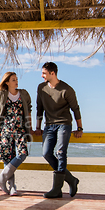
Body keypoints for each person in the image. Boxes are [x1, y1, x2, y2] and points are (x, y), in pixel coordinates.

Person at [34, 62, 83, 198]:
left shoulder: (67, 90)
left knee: (60, 152)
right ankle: (71, 179)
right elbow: (39, 108)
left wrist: (80, 128)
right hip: (49, 125)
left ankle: (57, 189)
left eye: (44, 73)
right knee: (46, 153)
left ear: (52, 73)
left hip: (64, 124)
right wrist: (37, 127)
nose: (42, 75)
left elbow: (75, 109)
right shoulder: (41, 87)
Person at [0, 72, 33, 195]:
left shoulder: (24, 94)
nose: (16, 81)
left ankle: (1, 178)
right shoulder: (1, 94)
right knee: (7, 157)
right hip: (5, 129)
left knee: (23, 154)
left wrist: (30, 127)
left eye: (16, 79)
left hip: (20, 129)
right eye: (13, 80)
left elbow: (29, 110)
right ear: (7, 82)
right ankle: (12, 187)